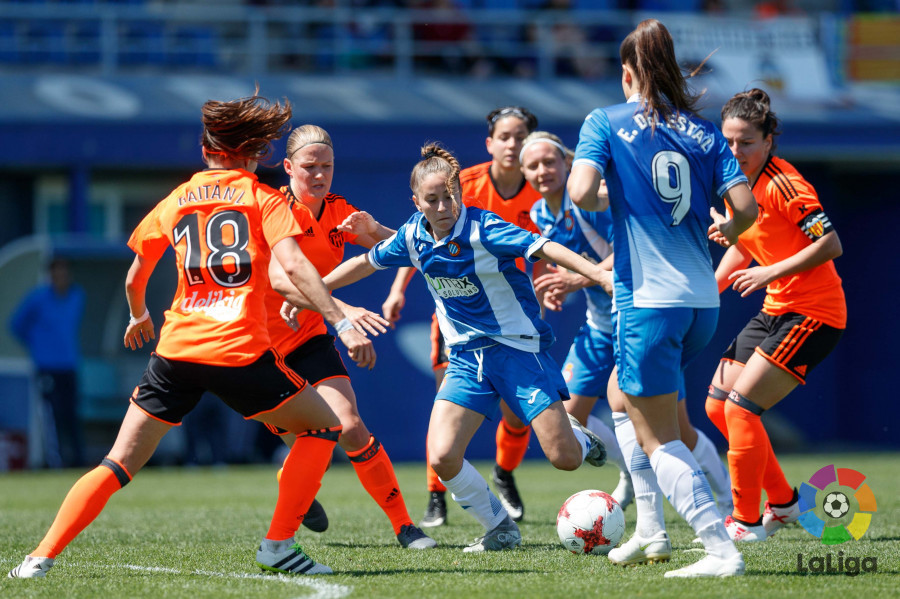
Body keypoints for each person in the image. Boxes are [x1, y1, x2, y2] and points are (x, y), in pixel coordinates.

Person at [8, 91, 374, 579]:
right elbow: (295, 269)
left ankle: (38, 559)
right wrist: (341, 318)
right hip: (239, 351)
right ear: (257, 154)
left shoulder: (177, 198)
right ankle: (278, 545)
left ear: (207, 152)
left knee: (117, 464)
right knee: (325, 427)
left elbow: (136, 275)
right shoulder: (264, 199)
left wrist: (139, 315)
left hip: (176, 349)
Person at [320, 143, 609, 552]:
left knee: (565, 458)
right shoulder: (413, 235)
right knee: (441, 456)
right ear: (416, 202)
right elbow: (365, 263)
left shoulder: (483, 227)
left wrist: (598, 273)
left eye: (449, 196)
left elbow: (545, 247)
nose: (442, 206)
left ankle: (581, 439)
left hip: (518, 351)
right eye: (432, 199)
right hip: (466, 360)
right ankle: (499, 526)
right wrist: (317, 289)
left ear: (459, 192)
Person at [567, 19, 758, 577]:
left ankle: (719, 549)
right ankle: (650, 531)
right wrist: (725, 229)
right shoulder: (702, 131)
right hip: (702, 302)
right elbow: (743, 212)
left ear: (627, 73)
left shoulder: (604, 121)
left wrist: (619, 189)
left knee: (657, 437)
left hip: (649, 300)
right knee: (621, 399)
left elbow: (581, 193)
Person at [524, 132, 732, 556]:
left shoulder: (594, 200)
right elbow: (563, 265)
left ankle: (730, 505)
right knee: (566, 417)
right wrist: (554, 290)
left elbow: (632, 246)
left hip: (638, 316)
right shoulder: (538, 212)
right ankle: (630, 477)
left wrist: (578, 279)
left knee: (676, 428)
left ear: (568, 163)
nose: (542, 171)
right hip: (599, 324)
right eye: (533, 166)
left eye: (550, 162)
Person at [264, 124, 435, 549]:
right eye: (309, 167)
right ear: (287, 167)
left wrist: (375, 229)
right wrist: (344, 312)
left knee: (351, 426)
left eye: (327, 166)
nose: (319, 175)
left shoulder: (340, 211)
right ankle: (294, 483)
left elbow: (411, 248)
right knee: (308, 444)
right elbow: (282, 283)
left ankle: (405, 526)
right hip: (257, 349)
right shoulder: (270, 210)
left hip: (307, 337)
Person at [382, 106, 543, 527]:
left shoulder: (542, 186)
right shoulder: (460, 184)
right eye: (505, 136)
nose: (513, 144)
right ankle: (437, 495)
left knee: (516, 411)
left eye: (521, 136)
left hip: (511, 316)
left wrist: (550, 282)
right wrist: (398, 290)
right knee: (446, 406)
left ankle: (504, 474)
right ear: (489, 143)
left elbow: (543, 246)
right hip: (459, 315)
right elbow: (415, 237)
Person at [704, 88, 845, 542]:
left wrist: (772, 272)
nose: (735, 151)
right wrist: (710, 289)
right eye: (728, 141)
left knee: (742, 412)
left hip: (814, 313)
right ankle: (783, 504)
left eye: (746, 141)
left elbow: (830, 243)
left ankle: (745, 524)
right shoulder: (736, 185)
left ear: (768, 141)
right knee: (717, 406)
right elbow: (742, 248)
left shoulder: (785, 183)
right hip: (777, 309)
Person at [9, 257, 86, 469]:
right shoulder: (38, 299)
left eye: (64, 272)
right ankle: (57, 462)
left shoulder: (77, 296)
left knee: (72, 413)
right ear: (50, 275)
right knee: (53, 415)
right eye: (56, 273)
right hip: (47, 367)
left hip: (70, 365)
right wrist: (37, 345)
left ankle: (78, 461)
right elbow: (15, 325)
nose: (61, 277)